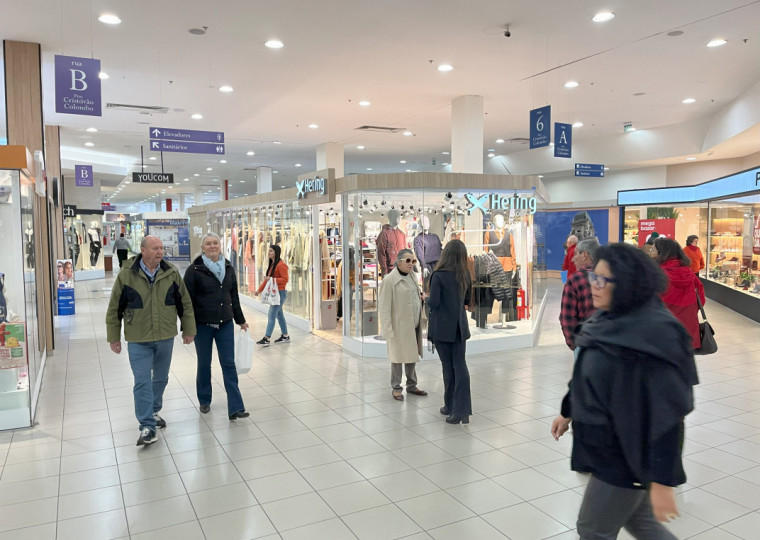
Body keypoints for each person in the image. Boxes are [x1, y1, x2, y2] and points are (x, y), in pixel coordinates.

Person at [551, 243, 698, 539]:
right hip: (604, 442)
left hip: (627, 451)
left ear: (628, 284)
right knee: (640, 522)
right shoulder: (604, 320)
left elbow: (669, 413)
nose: (594, 285)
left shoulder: (658, 333)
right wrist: (567, 411)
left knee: (592, 529)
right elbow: (585, 373)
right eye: (595, 277)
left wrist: (662, 480)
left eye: (603, 280)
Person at [106, 235, 196, 446]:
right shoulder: (127, 274)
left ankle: (154, 411)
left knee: (161, 379)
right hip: (138, 337)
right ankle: (147, 425)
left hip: (165, 335)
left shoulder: (171, 272)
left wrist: (188, 329)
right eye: (155, 248)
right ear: (143, 250)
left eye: (162, 248)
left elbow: (185, 303)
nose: (160, 252)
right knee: (142, 380)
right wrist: (113, 337)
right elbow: (114, 308)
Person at [184, 233, 250, 420]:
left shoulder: (228, 267)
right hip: (202, 324)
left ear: (220, 245)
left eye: (215, 243)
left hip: (225, 323)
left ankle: (236, 407)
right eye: (208, 244)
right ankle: (204, 399)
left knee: (229, 364)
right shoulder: (194, 270)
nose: (212, 246)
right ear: (203, 247)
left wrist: (240, 320)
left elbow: (233, 296)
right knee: (204, 363)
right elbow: (186, 302)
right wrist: (187, 327)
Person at [426, 239, 471, 424]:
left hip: (442, 328)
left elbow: (434, 303)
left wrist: (426, 298)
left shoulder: (438, 275)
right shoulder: (465, 274)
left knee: (448, 367)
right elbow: (467, 300)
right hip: (459, 327)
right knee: (459, 366)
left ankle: (453, 407)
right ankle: (459, 409)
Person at [378, 249, 428, 401]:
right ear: (398, 261)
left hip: (412, 324)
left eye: (413, 261)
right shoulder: (389, 280)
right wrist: (387, 330)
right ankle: (396, 387)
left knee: (411, 355)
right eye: (407, 260)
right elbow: (384, 306)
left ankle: (412, 385)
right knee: (398, 357)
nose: (411, 264)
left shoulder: (412, 277)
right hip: (398, 326)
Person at [655, 237, 705, 350]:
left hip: (664, 327)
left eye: (653, 250)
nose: (651, 252)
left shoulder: (658, 275)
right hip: (688, 327)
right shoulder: (690, 274)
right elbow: (701, 298)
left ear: (661, 253)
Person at [559, 238, 600, 350]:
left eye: (576, 254)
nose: (573, 259)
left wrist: (575, 345)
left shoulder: (575, 280)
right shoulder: (609, 277)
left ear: (585, 255)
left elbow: (567, 317)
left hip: (584, 344)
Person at [255, 244, 290, 346]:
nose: (268, 253)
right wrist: (259, 290)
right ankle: (285, 336)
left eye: (271, 251)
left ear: (276, 252)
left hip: (280, 293)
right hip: (275, 293)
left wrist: (273, 279)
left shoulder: (281, 265)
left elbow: (285, 279)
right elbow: (267, 281)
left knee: (271, 315)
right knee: (279, 315)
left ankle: (267, 338)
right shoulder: (273, 264)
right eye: (269, 251)